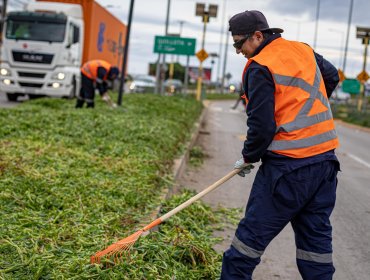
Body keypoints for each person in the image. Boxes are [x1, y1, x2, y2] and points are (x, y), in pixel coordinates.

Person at [221, 10, 340, 280]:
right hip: (325, 166)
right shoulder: (303, 50)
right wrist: (306, 113)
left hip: (287, 171)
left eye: (240, 44)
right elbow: (331, 77)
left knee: (244, 248)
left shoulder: (260, 66)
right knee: (316, 250)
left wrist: (248, 156)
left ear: (258, 36)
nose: (239, 51)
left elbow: (261, 127)